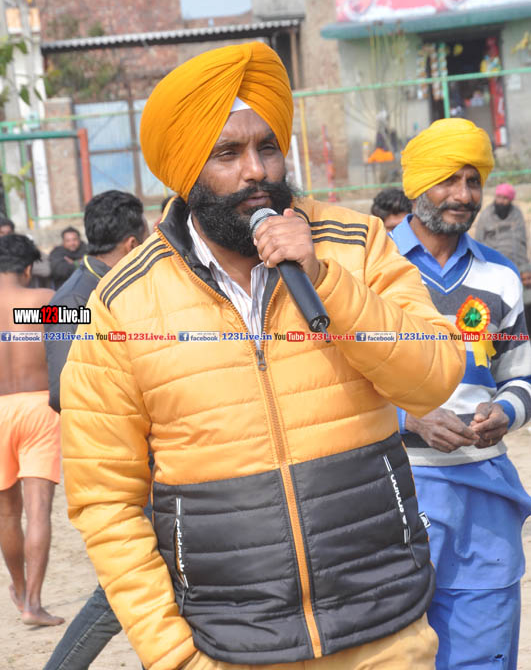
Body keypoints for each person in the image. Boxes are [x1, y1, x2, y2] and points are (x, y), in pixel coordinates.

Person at [60, 42, 466, 670]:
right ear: (186, 170)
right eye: (228, 153)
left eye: (267, 147)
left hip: (384, 628)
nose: (256, 171)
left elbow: (434, 377)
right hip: (230, 646)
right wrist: (174, 657)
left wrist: (326, 280)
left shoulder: (354, 244)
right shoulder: (122, 303)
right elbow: (105, 500)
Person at [391, 118, 531, 670]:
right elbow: (332, 379)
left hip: (482, 495)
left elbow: (521, 375)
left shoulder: (501, 276)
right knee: (393, 649)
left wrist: (505, 412)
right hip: (392, 489)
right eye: (449, 179)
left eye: (473, 181)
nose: (464, 195)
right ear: (418, 183)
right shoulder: (373, 268)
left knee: (483, 650)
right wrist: (412, 418)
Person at [43, 189, 147, 670]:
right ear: (131, 244)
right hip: (113, 462)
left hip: (147, 453)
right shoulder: (70, 299)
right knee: (121, 587)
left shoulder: (124, 286)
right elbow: (62, 393)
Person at [0, 234, 64, 627]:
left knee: (7, 513)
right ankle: (33, 606)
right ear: (27, 269)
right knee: (38, 509)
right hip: (39, 407)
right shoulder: (42, 301)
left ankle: (21, 590)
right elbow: (81, 335)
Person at [475, 182, 528, 272]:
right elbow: (479, 240)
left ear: (510, 200)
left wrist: (523, 267)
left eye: (505, 198)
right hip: (493, 265)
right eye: (499, 197)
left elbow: (521, 241)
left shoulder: (516, 214)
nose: (501, 201)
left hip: (515, 263)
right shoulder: (486, 214)